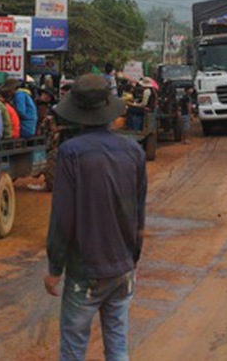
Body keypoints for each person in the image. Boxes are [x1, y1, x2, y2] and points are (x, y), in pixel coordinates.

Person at [45, 74, 146, 361]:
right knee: (117, 343)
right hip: (122, 267)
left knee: (74, 346)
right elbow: (139, 213)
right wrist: (132, 258)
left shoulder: (71, 152)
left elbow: (63, 217)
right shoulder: (133, 151)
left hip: (86, 270)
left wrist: (55, 267)